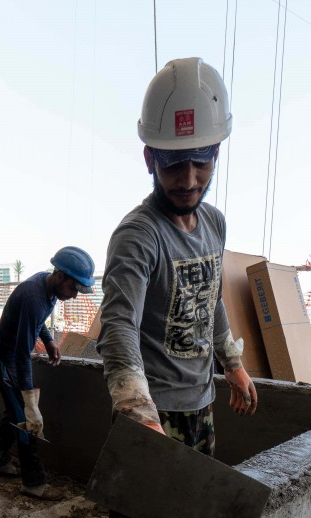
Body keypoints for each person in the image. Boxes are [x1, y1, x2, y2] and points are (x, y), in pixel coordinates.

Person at [97, 57, 257, 463]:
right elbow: (119, 324)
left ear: (216, 153)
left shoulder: (214, 224)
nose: (188, 180)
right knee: (150, 504)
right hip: (155, 408)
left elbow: (210, 298)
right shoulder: (138, 236)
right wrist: (136, 410)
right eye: (173, 164)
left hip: (202, 402)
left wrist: (232, 363)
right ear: (150, 159)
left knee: (196, 498)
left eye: (200, 162)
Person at [0, 246, 96, 499]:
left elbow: (36, 322)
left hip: (12, 356)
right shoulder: (33, 296)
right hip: (5, 359)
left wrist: (48, 341)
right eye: (74, 288)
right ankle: (33, 482)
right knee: (27, 419)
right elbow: (22, 353)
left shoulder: (48, 289)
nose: (75, 296)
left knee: (15, 411)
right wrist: (30, 400)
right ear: (60, 276)